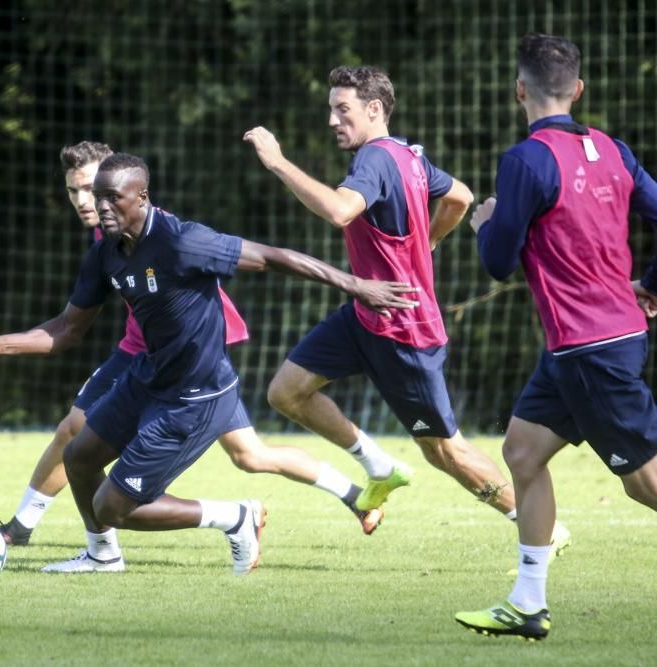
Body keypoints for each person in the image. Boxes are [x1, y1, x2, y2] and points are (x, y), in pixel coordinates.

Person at [0, 153, 421, 574]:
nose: (101, 207)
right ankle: (102, 557)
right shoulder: (105, 253)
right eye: (96, 197)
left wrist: (358, 286)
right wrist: (1, 343)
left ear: (143, 197)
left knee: (113, 507)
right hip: (148, 377)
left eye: (113, 198)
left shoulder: (183, 242)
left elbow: (276, 257)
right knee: (79, 456)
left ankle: (233, 517)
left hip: (194, 396)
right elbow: (68, 329)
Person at [243, 66, 571, 544]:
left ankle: (540, 527)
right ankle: (378, 465)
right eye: (331, 109)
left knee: (446, 452)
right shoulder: (407, 155)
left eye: (343, 110)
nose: (333, 120)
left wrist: (277, 162)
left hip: (404, 331)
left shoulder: (375, 159)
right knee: (286, 392)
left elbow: (339, 211)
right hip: (364, 314)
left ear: (374, 110)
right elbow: (459, 197)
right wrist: (428, 241)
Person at [455, 33, 657, 641]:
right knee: (521, 452)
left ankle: (528, 602)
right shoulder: (613, 149)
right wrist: (650, 282)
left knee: (644, 483)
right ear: (579, 89)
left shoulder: (526, 160)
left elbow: (496, 259)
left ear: (519, 89)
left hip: (589, 350)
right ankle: (527, 603)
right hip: (586, 346)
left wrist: (485, 222)